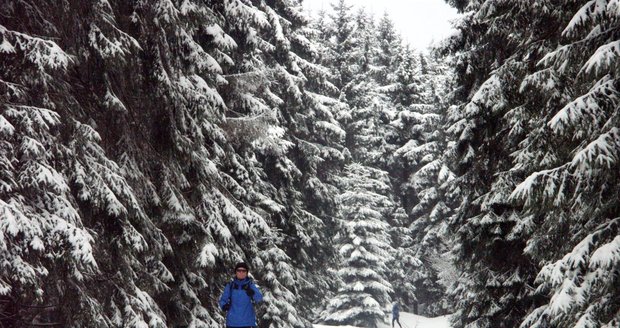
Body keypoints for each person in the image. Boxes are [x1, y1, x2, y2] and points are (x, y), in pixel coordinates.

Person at [219, 262, 263, 328]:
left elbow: (259, 298)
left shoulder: (250, 285)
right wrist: (224, 306)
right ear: (236, 272)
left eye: (243, 271)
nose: (241, 272)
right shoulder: (231, 285)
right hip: (232, 322)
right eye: (239, 270)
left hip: (247, 322)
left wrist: (252, 293)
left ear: (246, 273)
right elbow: (223, 300)